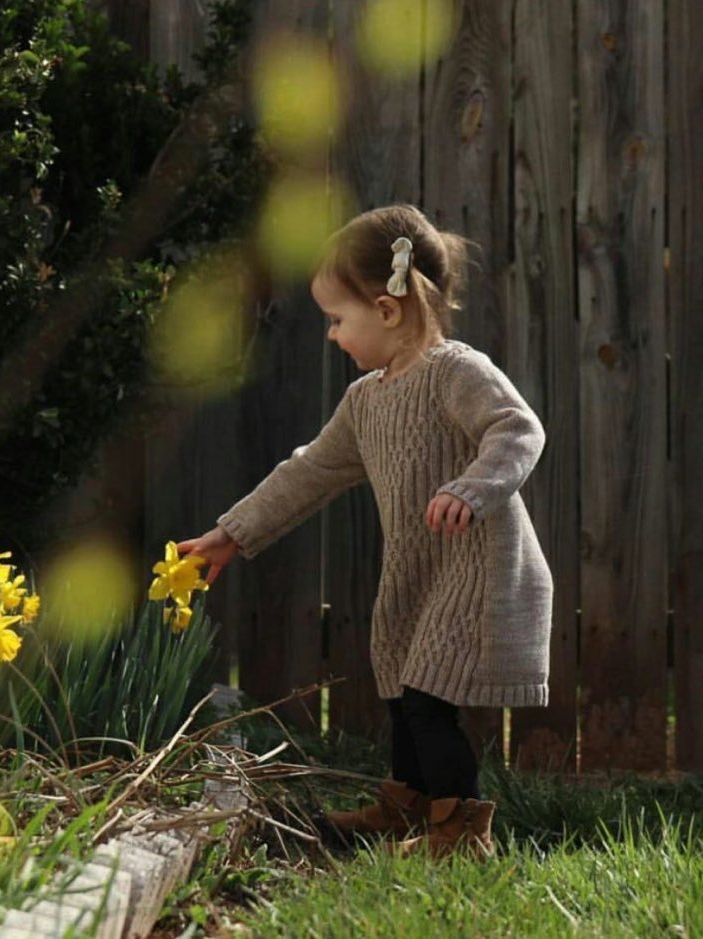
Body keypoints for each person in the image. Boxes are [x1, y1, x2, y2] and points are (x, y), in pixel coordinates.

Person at [177, 204, 553, 858]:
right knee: (406, 688)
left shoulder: (455, 371)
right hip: (420, 571)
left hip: (478, 569)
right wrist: (231, 533)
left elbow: (518, 428)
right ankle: (406, 805)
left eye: (336, 319)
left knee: (430, 695)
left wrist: (473, 486)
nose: (331, 335)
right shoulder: (366, 400)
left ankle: (462, 830)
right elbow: (312, 469)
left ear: (386, 310)